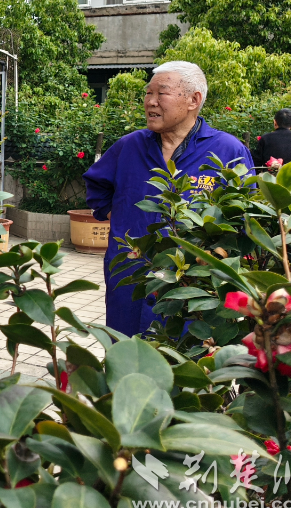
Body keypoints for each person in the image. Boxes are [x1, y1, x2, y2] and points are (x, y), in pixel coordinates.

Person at [84, 61, 253, 336]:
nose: (150, 102)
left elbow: (245, 217)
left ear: (193, 100)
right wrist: (125, 218)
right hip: (131, 277)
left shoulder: (227, 151)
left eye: (161, 93)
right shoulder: (129, 146)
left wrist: (216, 255)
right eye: (148, 93)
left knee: (186, 354)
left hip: (192, 287)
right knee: (127, 353)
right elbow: (97, 187)